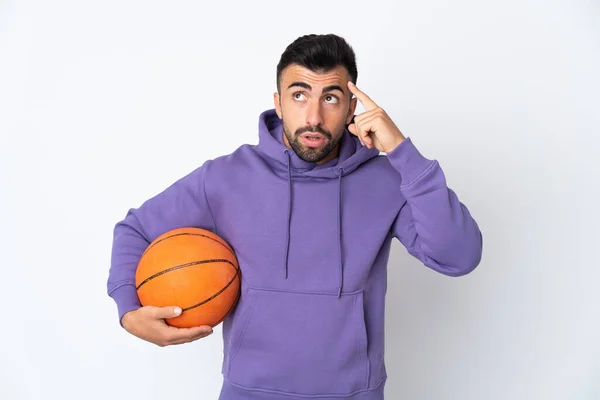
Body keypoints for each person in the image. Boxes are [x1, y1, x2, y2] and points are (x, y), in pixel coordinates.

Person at [107, 33, 483, 400]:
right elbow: (135, 229)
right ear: (279, 103)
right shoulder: (225, 177)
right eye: (299, 95)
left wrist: (403, 153)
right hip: (247, 391)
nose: (314, 117)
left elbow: (458, 256)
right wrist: (129, 310)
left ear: (353, 108)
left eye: (331, 98)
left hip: (352, 393)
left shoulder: (387, 181)